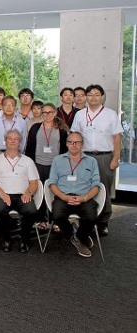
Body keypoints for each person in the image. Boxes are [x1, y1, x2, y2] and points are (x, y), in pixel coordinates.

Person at [71, 84, 123, 236]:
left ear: (102, 97)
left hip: (104, 157)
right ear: (86, 97)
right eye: (90, 94)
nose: (93, 97)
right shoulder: (80, 114)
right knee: (83, 187)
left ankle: (103, 222)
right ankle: (86, 219)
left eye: (96, 94)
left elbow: (117, 138)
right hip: (84, 157)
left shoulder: (110, 114)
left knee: (104, 189)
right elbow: (75, 136)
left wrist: (116, 158)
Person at [0, 129, 40, 253]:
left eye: (16, 139)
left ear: (20, 142)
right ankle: (6, 238)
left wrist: (29, 193)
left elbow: (34, 182)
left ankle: (24, 238)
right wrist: (1, 193)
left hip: (22, 195)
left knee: (31, 211)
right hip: (2, 194)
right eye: (10, 138)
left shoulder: (28, 161)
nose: (13, 141)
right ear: (5, 141)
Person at [48, 132, 101, 258]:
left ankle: (80, 236)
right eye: (71, 142)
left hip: (84, 196)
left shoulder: (91, 161)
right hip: (63, 196)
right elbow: (52, 183)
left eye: (77, 142)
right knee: (56, 215)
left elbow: (96, 185)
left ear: (82, 144)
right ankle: (71, 233)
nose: (74, 145)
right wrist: (63, 197)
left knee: (91, 217)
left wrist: (84, 198)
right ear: (66, 144)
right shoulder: (57, 160)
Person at [25, 102, 69, 230]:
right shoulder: (35, 127)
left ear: (55, 113)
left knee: (55, 193)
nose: (47, 115)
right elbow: (29, 148)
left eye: (50, 112)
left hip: (55, 166)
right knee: (40, 192)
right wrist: (30, 165)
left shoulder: (61, 130)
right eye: (45, 112)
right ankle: (41, 220)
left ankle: (56, 220)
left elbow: (65, 150)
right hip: (38, 165)